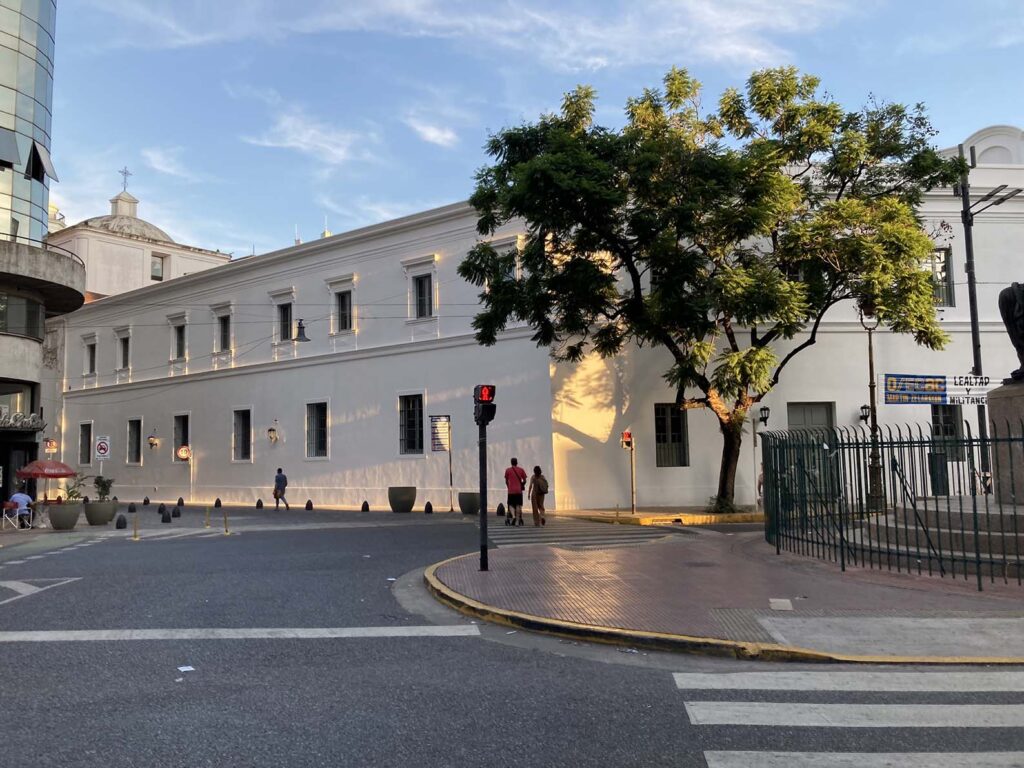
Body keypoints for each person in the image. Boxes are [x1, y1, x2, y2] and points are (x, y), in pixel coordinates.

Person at [504, 457, 527, 526]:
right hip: (519, 491)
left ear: (511, 463)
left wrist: (509, 487)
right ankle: (517, 521)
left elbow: (506, 481)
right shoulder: (521, 470)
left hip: (511, 491)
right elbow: (525, 480)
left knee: (510, 504)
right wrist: (521, 485)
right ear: (517, 462)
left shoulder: (508, 470)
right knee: (518, 505)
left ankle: (513, 516)